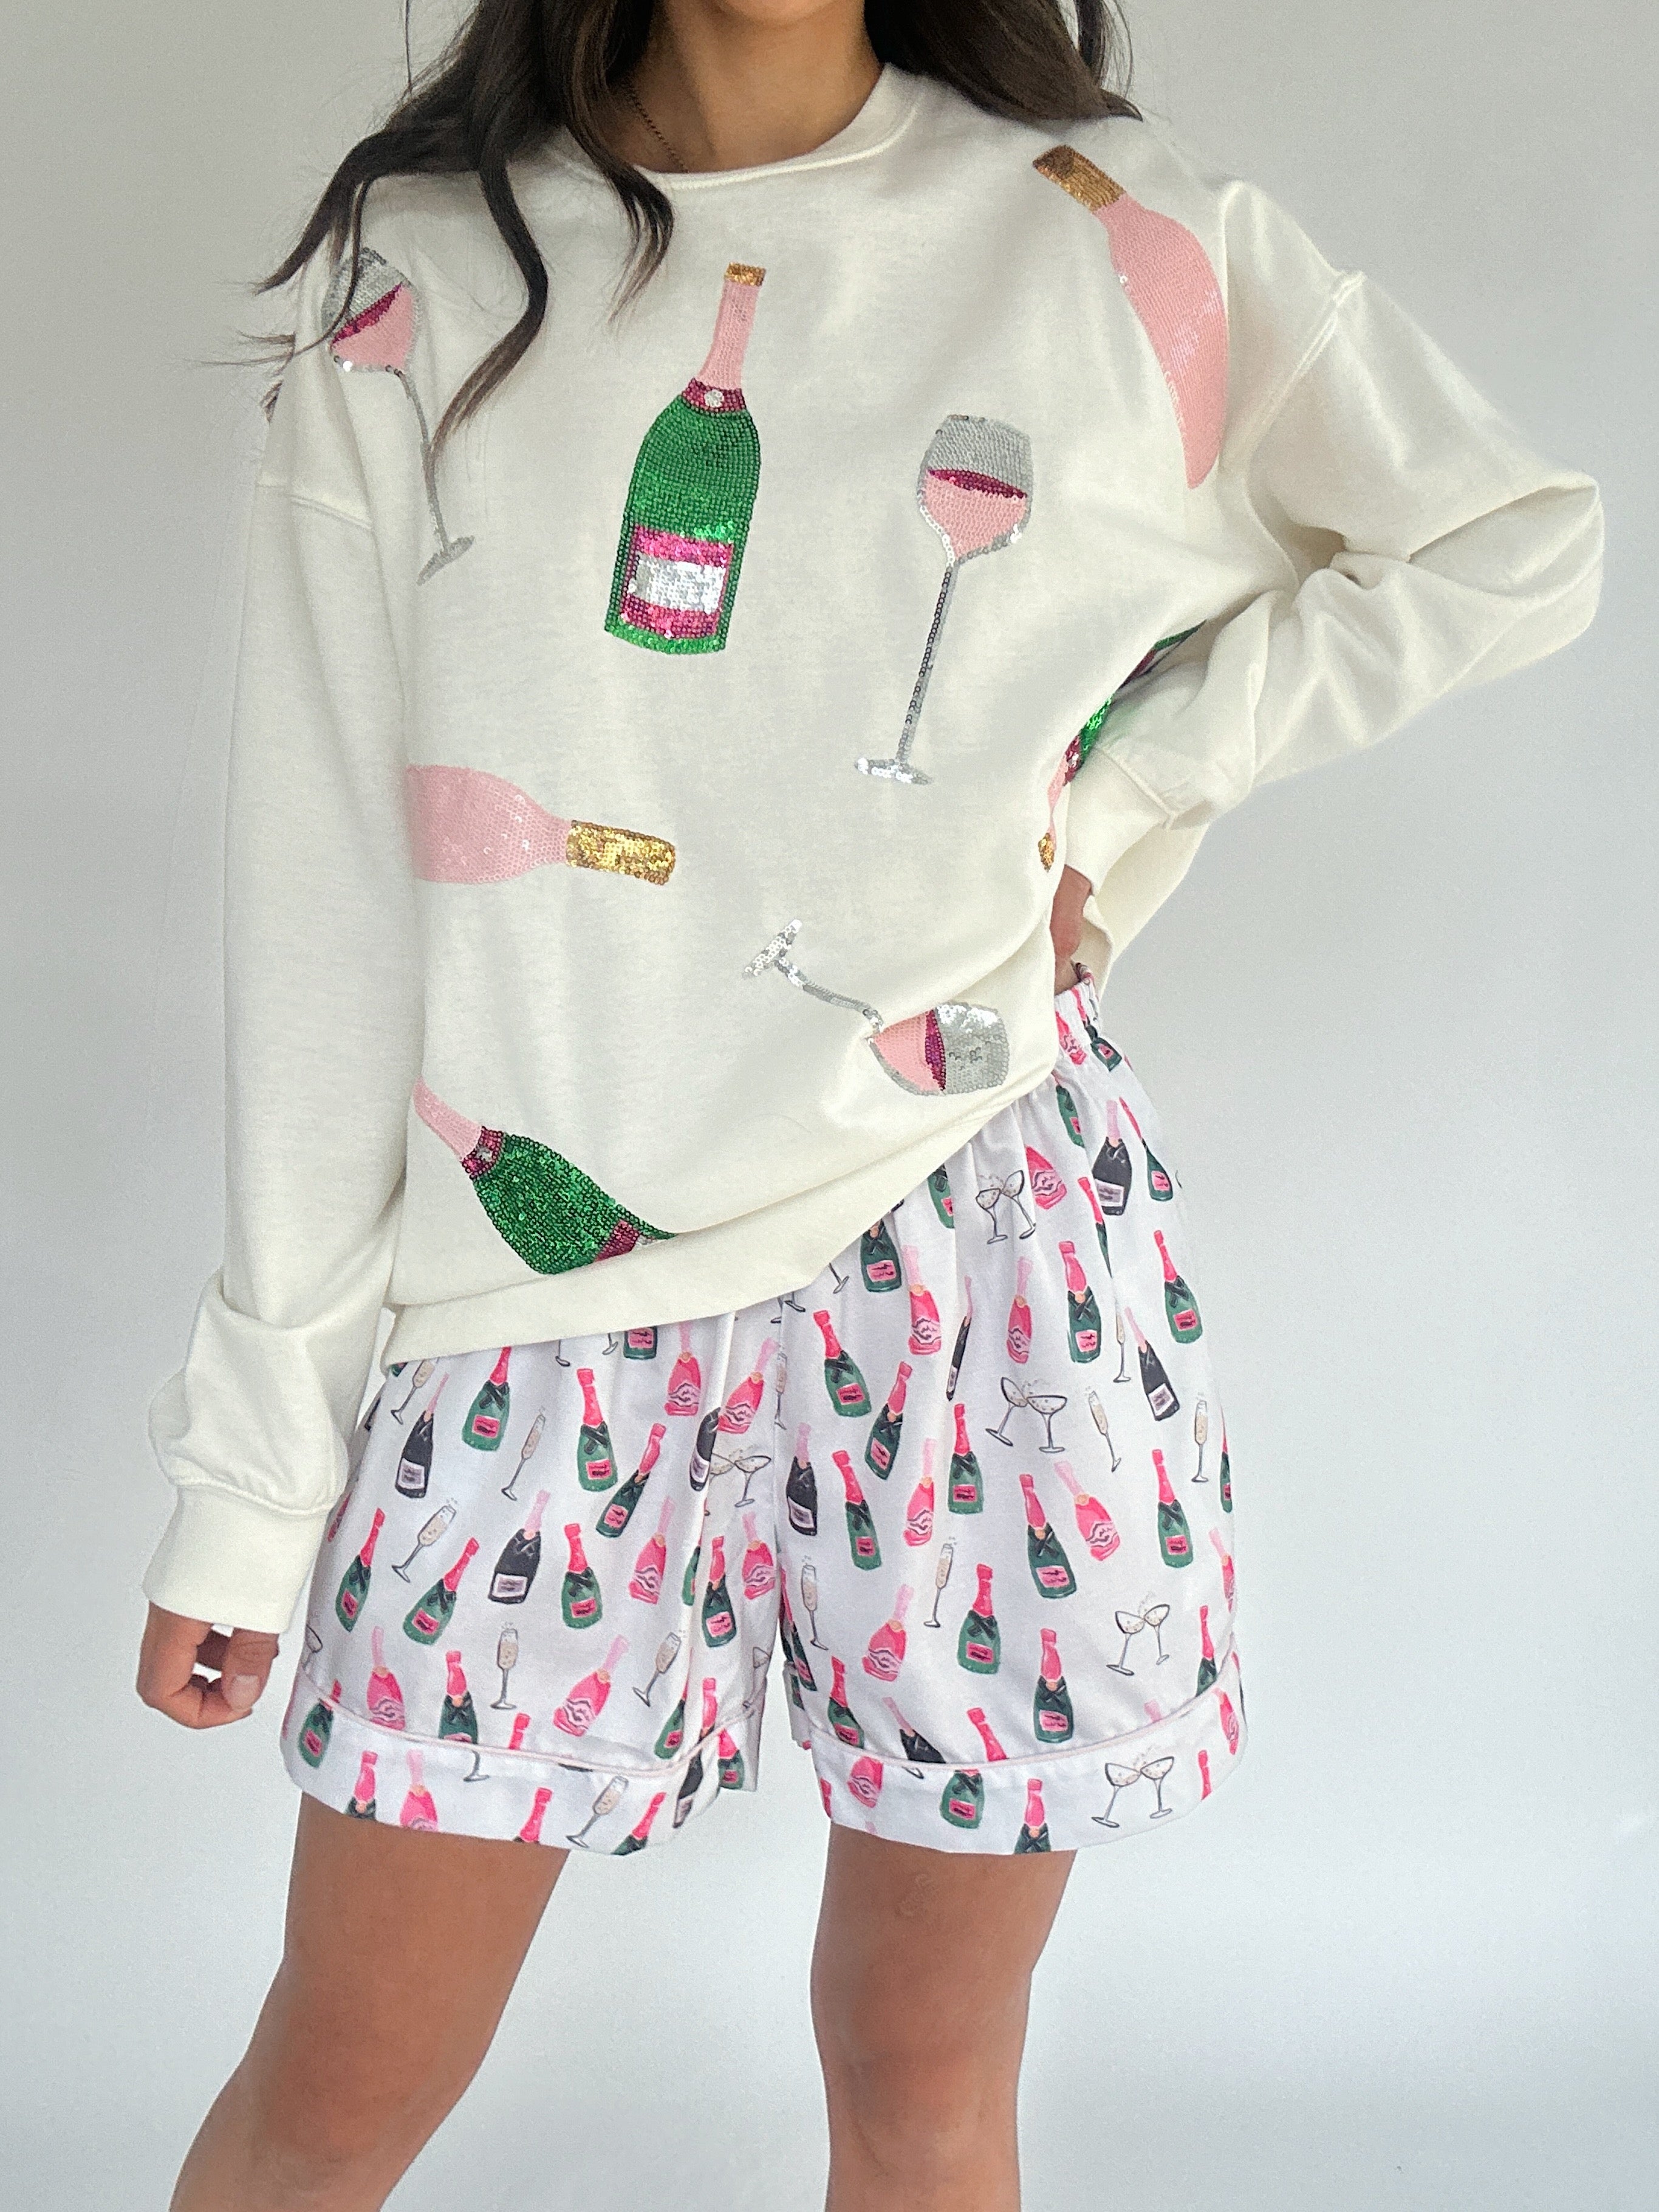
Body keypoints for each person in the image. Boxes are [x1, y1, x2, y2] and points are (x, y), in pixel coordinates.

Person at [136, 2, 1604, 2206]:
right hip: (540, 1297)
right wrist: (257, 1475)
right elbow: (331, 886)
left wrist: (1123, 793)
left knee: (921, 2078)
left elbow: (1503, 538)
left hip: (981, 1250)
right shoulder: (432, 274)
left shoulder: (1103, 224)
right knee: (340, 2089)